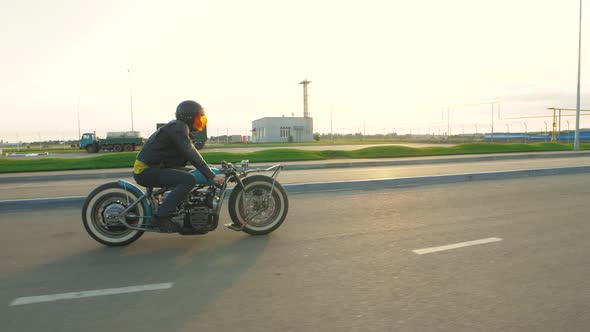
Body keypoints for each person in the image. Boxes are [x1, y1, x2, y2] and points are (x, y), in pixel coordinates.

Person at [133, 100, 225, 232]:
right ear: (189, 116)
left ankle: (179, 207)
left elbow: (188, 156)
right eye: (199, 117)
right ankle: (162, 217)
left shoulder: (177, 127)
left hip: (153, 167)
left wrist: (208, 169)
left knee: (192, 174)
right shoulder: (179, 128)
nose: (201, 121)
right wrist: (211, 175)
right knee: (189, 179)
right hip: (146, 170)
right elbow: (191, 153)